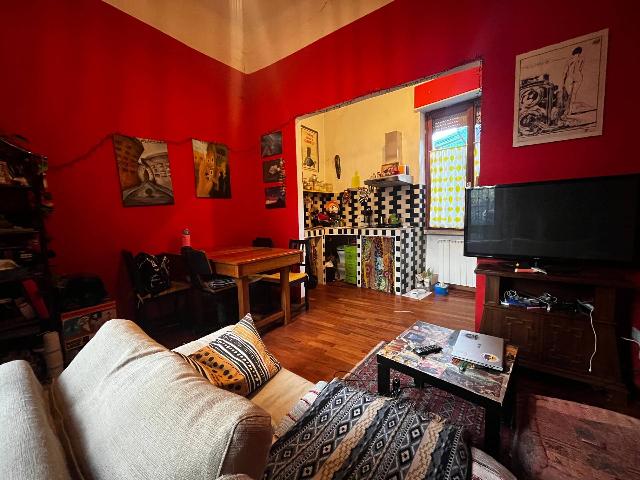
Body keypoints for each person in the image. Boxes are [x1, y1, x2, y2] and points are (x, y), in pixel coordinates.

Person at [561, 46, 584, 117]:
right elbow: (580, 69)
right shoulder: (579, 60)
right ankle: (568, 111)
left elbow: (565, 72)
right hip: (576, 77)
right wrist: (563, 82)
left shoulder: (572, 60)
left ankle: (568, 111)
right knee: (571, 95)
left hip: (573, 78)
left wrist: (563, 82)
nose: (577, 55)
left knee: (571, 95)